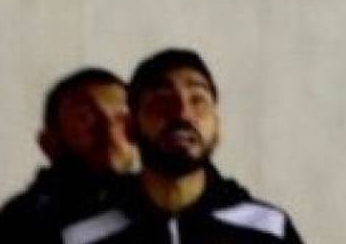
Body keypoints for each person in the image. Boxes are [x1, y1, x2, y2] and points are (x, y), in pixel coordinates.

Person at [60, 49, 305, 244]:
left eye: (198, 99)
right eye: (162, 100)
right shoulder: (82, 235)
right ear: (130, 128)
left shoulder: (268, 230)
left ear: (217, 128)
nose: (182, 113)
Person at [0, 67, 135, 244]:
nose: (110, 133)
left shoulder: (151, 207)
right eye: (85, 118)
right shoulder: (23, 224)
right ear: (49, 143)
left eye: (122, 120)